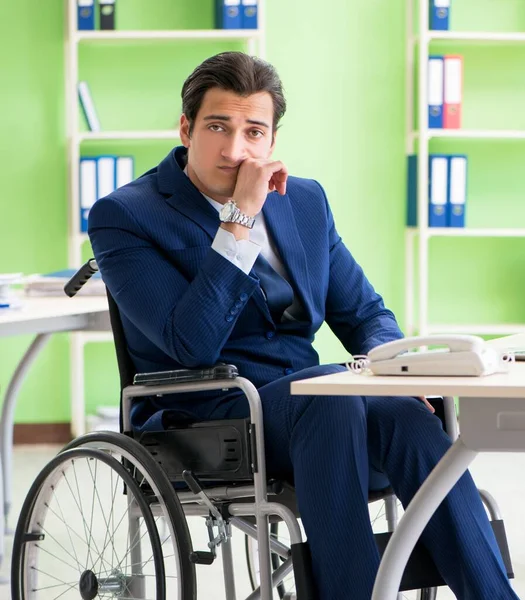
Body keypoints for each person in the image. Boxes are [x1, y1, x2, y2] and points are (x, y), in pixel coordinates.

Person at [88, 51, 518, 600]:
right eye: (218, 126)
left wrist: (399, 368)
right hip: (211, 411)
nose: (235, 148)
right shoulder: (126, 214)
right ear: (186, 127)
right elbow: (189, 345)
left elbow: (364, 314)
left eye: (253, 131)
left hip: (314, 405)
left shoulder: (304, 202)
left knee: (407, 417)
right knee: (331, 398)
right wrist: (239, 220)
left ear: (271, 140)